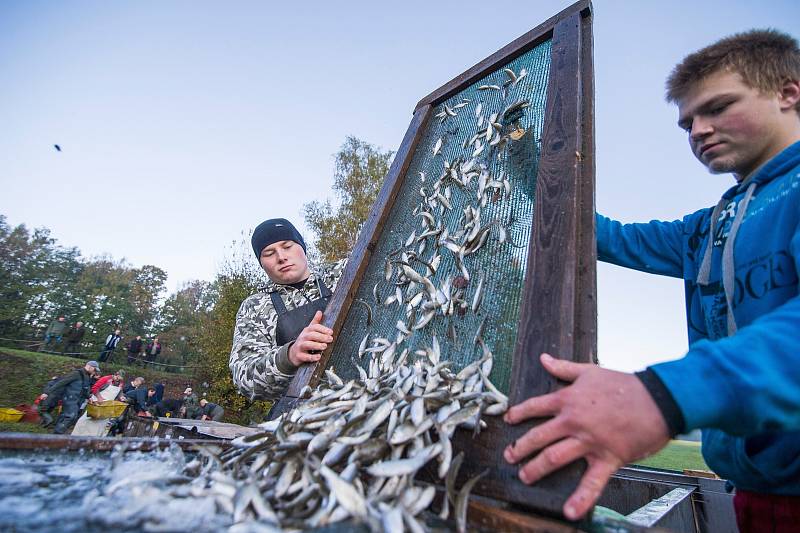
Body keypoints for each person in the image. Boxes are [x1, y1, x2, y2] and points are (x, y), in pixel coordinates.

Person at [503, 29, 800, 529]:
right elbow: (600, 235)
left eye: (718, 107)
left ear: (789, 93)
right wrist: (524, 158)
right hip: (756, 491)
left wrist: (662, 395)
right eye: (686, 123)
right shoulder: (706, 229)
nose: (698, 131)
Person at [229, 218, 347, 401]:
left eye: (287, 246)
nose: (281, 257)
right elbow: (243, 377)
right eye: (269, 253)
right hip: (311, 414)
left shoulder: (344, 272)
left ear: (302, 247)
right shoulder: (254, 308)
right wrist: (289, 356)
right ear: (261, 263)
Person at [39, 360, 99, 434]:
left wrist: (89, 398)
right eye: (94, 369)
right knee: (71, 416)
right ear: (89, 366)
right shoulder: (76, 373)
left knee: (67, 416)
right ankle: (57, 434)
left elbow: (85, 389)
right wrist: (46, 393)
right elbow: (61, 382)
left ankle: (55, 433)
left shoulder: (87, 376)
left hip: (77, 400)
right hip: (69, 399)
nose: (95, 372)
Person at [73, 368, 126, 436]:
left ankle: (94, 438)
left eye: (120, 379)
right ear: (116, 374)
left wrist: (121, 396)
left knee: (101, 423)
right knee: (88, 419)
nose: (118, 380)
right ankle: (78, 434)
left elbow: (120, 392)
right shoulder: (106, 379)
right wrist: (99, 397)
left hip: (107, 406)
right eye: (118, 378)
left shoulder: (121, 383)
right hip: (96, 402)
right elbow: (94, 388)